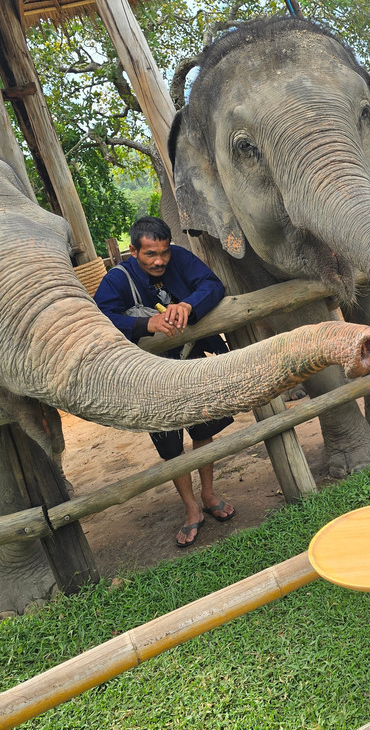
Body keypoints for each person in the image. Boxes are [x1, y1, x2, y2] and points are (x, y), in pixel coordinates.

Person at [94, 216, 236, 548]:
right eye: (150, 254)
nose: (159, 261)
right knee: (171, 446)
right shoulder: (116, 280)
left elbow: (212, 285)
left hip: (190, 363)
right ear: (133, 251)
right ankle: (191, 508)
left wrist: (189, 304)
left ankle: (209, 494)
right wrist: (146, 325)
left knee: (203, 430)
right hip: (148, 375)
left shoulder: (180, 258)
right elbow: (100, 317)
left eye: (164, 252)